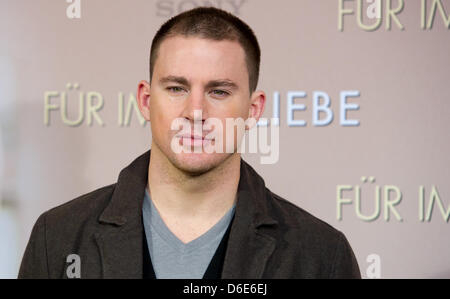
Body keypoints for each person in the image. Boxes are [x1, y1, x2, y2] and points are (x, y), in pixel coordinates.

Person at [18, 7, 361, 279]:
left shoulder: (321, 255)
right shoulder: (58, 238)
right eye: (177, 88)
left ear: (253, 109)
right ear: (146, 100)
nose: (195, 111)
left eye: (219, 91)